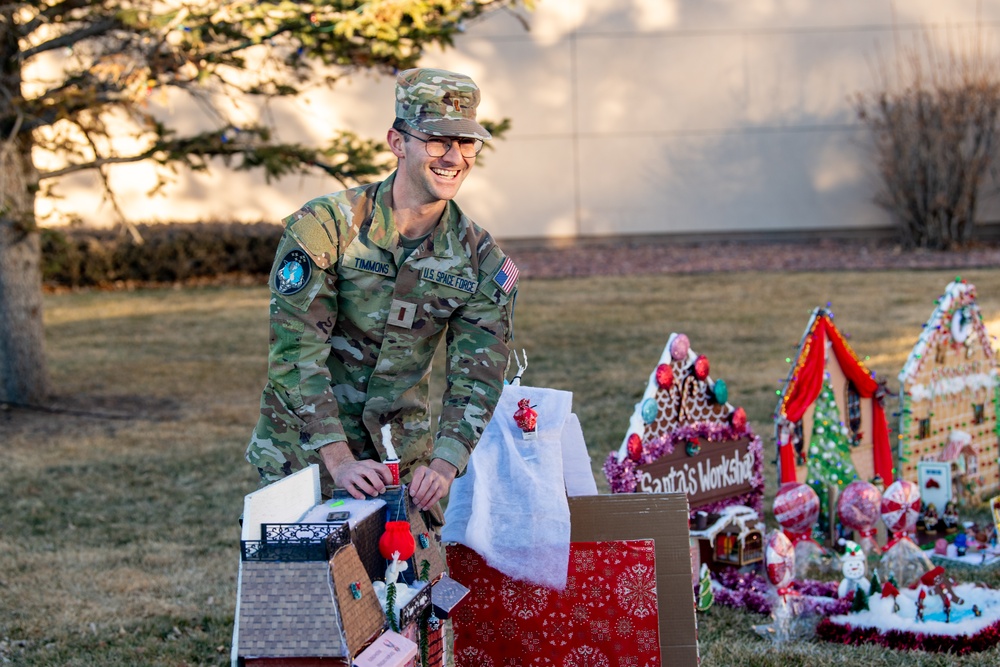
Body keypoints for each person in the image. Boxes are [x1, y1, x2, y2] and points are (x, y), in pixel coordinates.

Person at [245, 68, 517, 521]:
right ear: (397, 142)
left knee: (402, 590)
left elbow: (478, 374)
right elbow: (296, 353)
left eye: (466, 142)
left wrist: (446, 462)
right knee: (301, 591)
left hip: (400, 464)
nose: (454, 156)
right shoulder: (328, 227)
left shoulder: (480, 260)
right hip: (305, 456)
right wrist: (340, 460)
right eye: (437, 140)